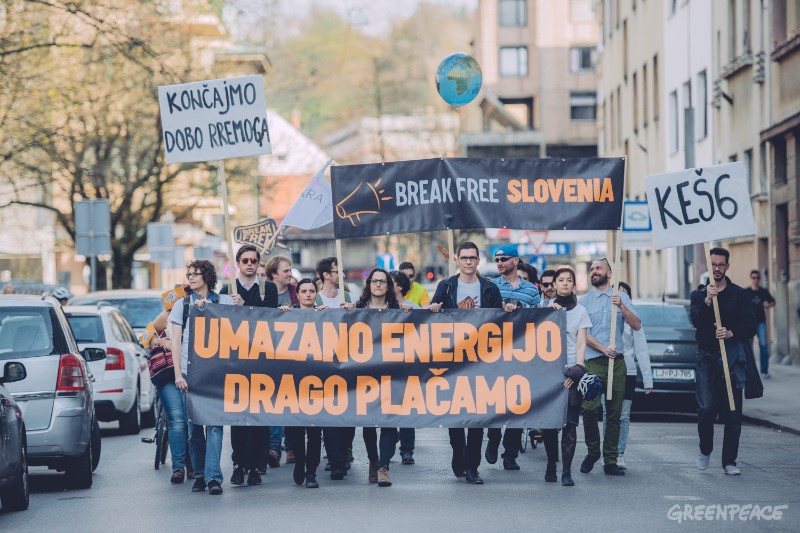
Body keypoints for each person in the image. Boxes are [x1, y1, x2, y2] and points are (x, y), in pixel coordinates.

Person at [429, 241, 504, 485]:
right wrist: (433, 308)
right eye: (464, 257)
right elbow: (434, 315)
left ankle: (472, 466)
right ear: (457, 260)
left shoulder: (490, 288)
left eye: (473, 257)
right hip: (453, 360)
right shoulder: (446, 286)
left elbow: (500, 320)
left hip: (482, 360)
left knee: (477, 415)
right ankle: (458, 452)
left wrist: (510, 309)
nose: (469, 261)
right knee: (456, 413)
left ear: (478, 261)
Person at [169, 260, 235, 495]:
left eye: (196, 274)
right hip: (190, 373)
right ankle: (199, 473)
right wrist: (178, 374)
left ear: (207, 276)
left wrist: (239, 307)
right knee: (194, 427)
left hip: (216, 373)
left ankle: (213, 477)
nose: (191, 277)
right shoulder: (182, 305)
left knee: (215, 426)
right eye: (189, 274)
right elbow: (175, 343)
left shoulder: (225, 302)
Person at [690, 247, 756, 475]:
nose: (716, 269)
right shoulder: (698, 295)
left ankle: (730, 461)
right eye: (713, 265)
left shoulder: (740, 294)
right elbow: (696, 322)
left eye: (720, 265)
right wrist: (708, 300)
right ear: (708, 266)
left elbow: (751, 326)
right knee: (706, 407)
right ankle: (705, 449)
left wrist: (731, 333)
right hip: (707, 356)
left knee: (733, 411)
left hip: (731, 357)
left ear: (728, 266)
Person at [220, 245, 277, 487]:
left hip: (262, 361)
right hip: (237, 361)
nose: (250, 264)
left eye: (254, 260)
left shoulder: (269, 288)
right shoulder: (227, 290)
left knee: (259, 417)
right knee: (239, 416)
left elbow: (272, 319)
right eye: (245, 260)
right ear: (238, 263)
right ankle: (238, 463)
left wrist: (244, 306)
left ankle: (255, 465)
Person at [578, 257, 641, 477]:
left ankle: (611, 459)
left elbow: (636, 324)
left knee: (614, 413)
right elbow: (582, 333)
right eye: (592, 269)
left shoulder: (620, 296)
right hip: (594, 363)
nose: (594, 271)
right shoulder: (584, 301)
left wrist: (621, 305)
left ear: (609, 273)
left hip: (618, 364)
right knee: (588, 408)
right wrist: (604, 348)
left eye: (598, 268)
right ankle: (593, 451)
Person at [343, 268, 405, 487]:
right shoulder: (357, 309)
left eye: (382, 281)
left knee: (389, 421)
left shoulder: (398, 310)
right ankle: (373, 460)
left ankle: (383, 466)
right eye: (374, 281)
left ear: (388, 286)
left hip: (390, 375)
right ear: (368, 285)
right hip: (365, 375)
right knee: (368, 423)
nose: (378, 285)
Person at [486, 245, 541, 471]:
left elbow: (540, 320)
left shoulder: (531, 290)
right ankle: (493, 440)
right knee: (496, 402)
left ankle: (510, 453)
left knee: (518, 405)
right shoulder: (490, 286)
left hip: (521, 354)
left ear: (515, 261)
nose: (499, 262)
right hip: (495, 354)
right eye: (496, 258)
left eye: (504, 258)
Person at [541, 267, 591, 486]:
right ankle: (552, 463)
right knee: (550, 424)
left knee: (570, 424)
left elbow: (581, 343)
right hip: (548, 373)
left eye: (569, 280)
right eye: (560, 280)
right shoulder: (544, 308)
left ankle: (567, 472)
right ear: (554, 284)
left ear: (574, 285)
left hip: (570, 372)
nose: (564, 283)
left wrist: (577, 370)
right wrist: (547, 315)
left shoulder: (581, 311)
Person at [279, 278, 324, 488]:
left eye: (311, 291)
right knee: (295, 429)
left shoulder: (323, 315)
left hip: (317, 381)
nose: (308, 294)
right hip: (293, 382)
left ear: (316, 293)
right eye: (304, 291)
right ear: (297, 294)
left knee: (315, 431)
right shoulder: (288, 314)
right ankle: (300, 463)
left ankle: (312, 472)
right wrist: (279, 315)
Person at [147, 309, 189, 485]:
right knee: (178, 420)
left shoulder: (204, 310)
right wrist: (160, 341)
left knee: (191, 420)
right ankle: (179, 467)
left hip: (191, 371)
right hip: (168, 372)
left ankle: (193, 464)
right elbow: (148, 335)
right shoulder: (167, 315)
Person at [615, 282, 653, 470]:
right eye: (617, 293)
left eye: (625, 294)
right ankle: (608, 451)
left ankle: (619, 453)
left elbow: (642, 350)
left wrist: (647, 379)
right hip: (609, 370)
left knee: (623, 415)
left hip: (628, 371)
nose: (620, 297)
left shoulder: (633, 321)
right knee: (609, 414)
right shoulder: (606, 318)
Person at [389, 270, 418, 465]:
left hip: (407, 367)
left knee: (406, 410)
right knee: (388, 410)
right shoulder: (379, 308)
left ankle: (407, 450)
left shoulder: (413, 308)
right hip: (385, 367)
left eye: (388, 282)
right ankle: (388, 448)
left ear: (399, 286)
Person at [747, 269, 775, 378]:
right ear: (751, 278)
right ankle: (750, 371)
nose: (756, 280)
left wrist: (768, 304)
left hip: (761, 322)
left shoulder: (763, 291)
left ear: (760, 279)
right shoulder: (746, 292)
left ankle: (764, 371)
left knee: (763, 346)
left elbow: (773, 301)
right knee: (748, 347)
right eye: (754, 277)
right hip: (749, 323)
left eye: (758, 277)